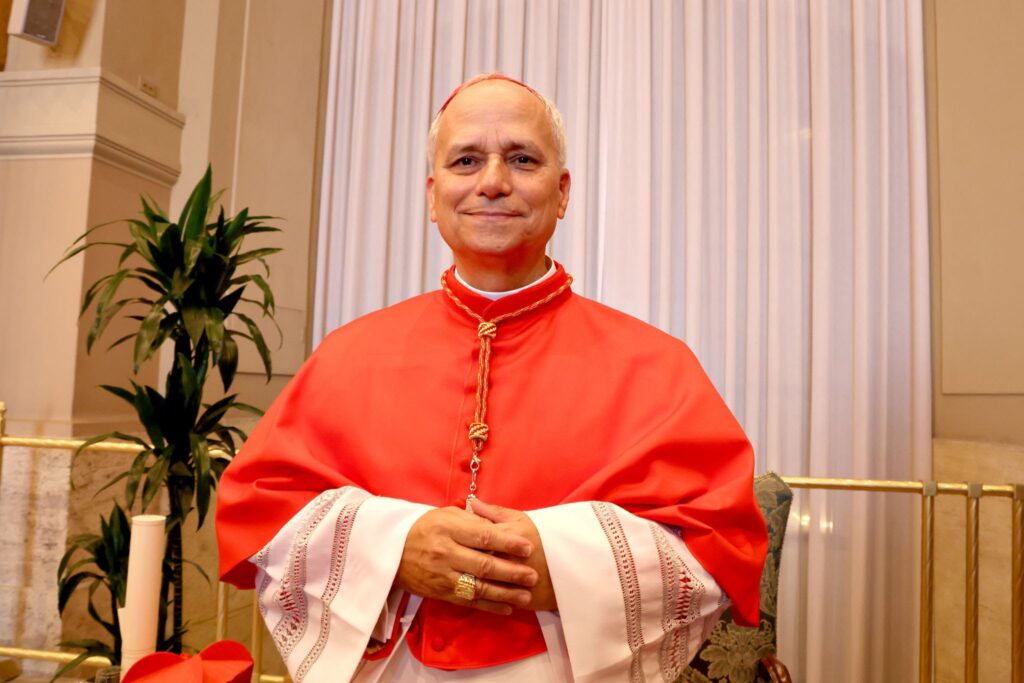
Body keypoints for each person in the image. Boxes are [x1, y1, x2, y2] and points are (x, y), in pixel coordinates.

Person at [215, 73, 767, 682]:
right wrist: (393, 547)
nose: (493, 181)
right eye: (466, 160)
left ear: (562, 192)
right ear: (433, 196)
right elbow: (261, 514)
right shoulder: (348, 354)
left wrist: (562, 563)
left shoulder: (656, 365)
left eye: (522, 159)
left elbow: (721, 546)